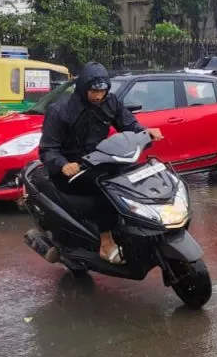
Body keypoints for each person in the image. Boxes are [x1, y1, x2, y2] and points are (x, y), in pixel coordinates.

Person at [38, 62, 162, 262]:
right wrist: (63, 164)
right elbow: (48, 149)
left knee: (131, 181)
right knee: (107, 191)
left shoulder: (110, 102)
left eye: (102, 91)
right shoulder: (60, 110)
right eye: (94, 91)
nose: (98, 96)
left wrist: (145, 132)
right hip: (71, 169)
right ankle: (106, 243)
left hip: (98, 161)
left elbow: (129, 124)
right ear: (83, 88)